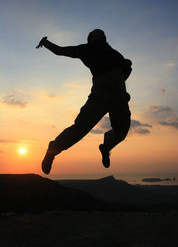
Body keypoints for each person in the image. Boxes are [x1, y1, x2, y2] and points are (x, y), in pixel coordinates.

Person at [36, 29, 132, 174]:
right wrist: (46, 42)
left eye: (102, 34)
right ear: (91, 39)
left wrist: (119, 82)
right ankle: (52, 150)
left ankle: (105, 147)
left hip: (119, 98)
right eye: (97, 34)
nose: (100, 34)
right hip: (100, 96)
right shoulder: (87, 49)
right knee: (79, 129)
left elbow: (128, 67)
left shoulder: (115, 54)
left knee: (122, 132)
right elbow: (61, 51)